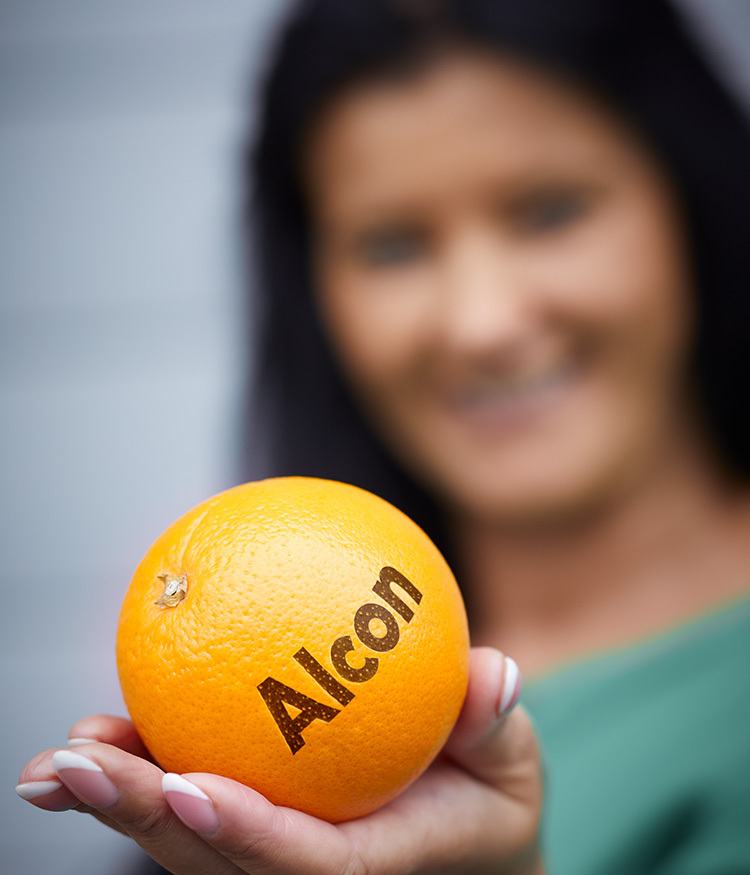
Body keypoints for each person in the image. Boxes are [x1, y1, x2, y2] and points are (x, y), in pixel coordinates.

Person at [16, 1, 750, 872]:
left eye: (551, 211)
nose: (482, 321)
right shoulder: (243, 686)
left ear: (693, 201)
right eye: (394, 246)